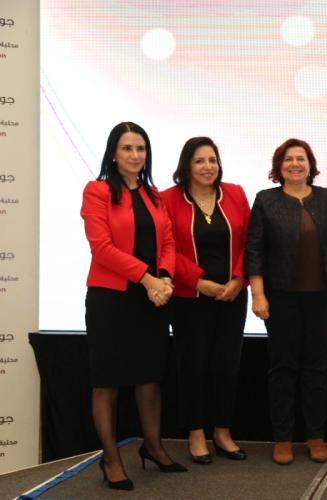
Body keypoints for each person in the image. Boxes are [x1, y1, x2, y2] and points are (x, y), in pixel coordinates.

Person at [81, 122, 187, 491]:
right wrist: (148, 279)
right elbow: (102, 248)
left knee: (149, 376)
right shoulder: (97, 191)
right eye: (127, 148)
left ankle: (153, 447)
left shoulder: (154, 195)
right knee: (107, 381)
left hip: (152, 297)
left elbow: (169, 242)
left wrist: (165, 278)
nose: (135, 155)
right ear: (113, 153)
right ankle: (111, 459)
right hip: (111, 298)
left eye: (140, 148)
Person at [244, 138, 327, 465]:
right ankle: (283, 437)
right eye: (289, 159)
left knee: (316, 368)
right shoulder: (266, 200)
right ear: (279, 167)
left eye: (301, 158)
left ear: (310, 165)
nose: (295, 164)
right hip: (280, 298)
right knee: (283, 367)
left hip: (322, 297)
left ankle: (315, 436)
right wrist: (258, 294)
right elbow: (254, 250)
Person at [162, 137, 251, 464]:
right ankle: (196, 433)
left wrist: (239, 279)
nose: (207, 166)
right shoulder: (167, 199)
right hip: (189, 298)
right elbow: (167, 248)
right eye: (199, 160)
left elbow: (251, 241)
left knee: (227, 365)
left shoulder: (236, 194)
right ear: (186, 165)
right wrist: (200, 283)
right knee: (193, 366)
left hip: (232, 296)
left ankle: (223, 432)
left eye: (212, 160)